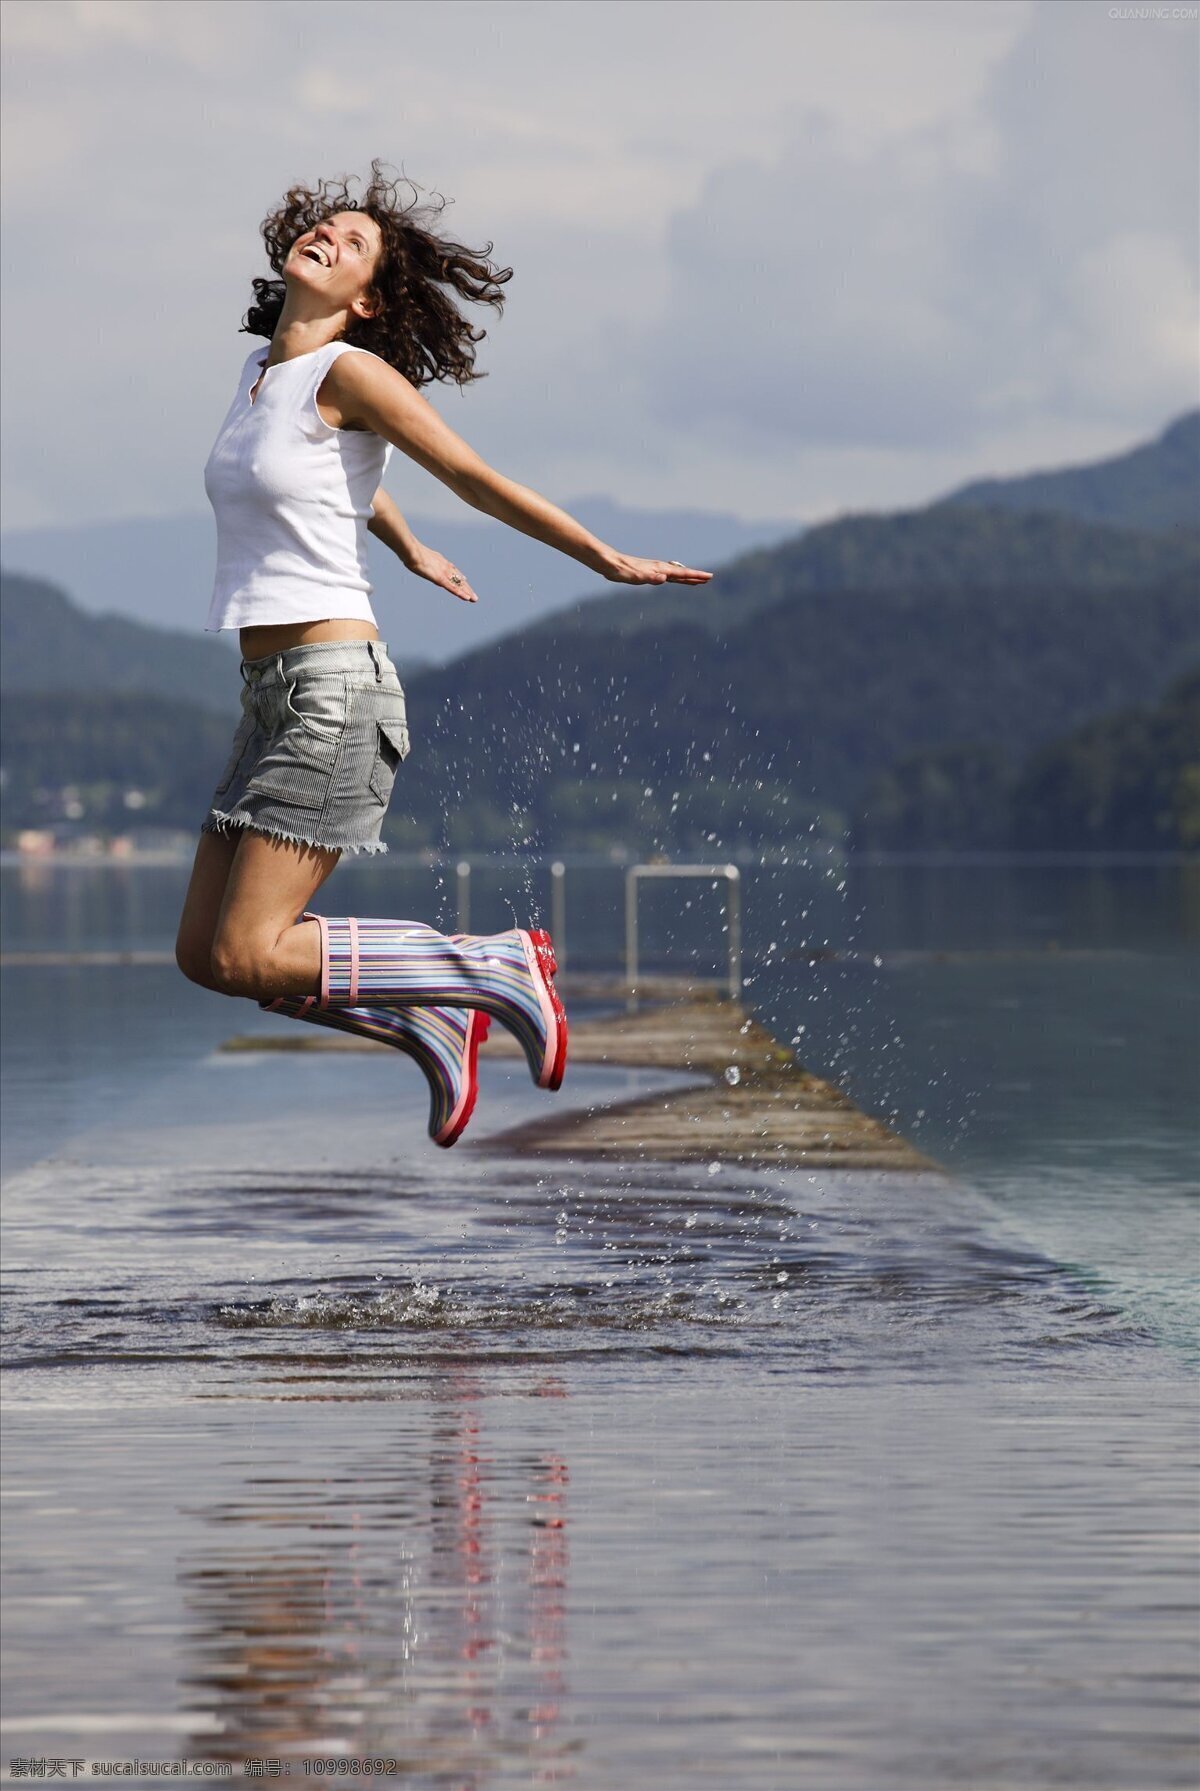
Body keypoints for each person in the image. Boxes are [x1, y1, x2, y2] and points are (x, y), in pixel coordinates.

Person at [175, 162, 713, 1147]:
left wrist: (601, 555)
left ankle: (489, 967)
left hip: (333, 696)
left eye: (352, 243)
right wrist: (405, 543)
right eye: (323, 228)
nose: (327, 238)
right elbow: (324, 476)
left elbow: (470, 474)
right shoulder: (264, 377)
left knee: (254, 953)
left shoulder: (353, 372)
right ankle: (425, 1014)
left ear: (369, 297)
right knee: (204, 959)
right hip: (269, 693)